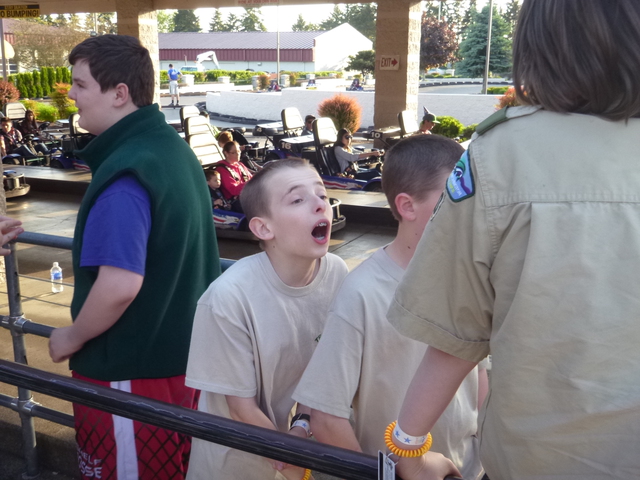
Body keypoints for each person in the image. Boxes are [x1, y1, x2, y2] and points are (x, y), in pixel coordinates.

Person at [387, 1, 640, 479]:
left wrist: (406, 446)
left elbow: (457, 334)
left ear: (541, 44)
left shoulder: (500, 155)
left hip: (539, 460)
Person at [47, 35, 220, 480]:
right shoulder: (172, 151)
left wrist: (71, 336)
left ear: (119, 93)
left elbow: (120, 284)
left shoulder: (127, 171)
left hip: (129, 373)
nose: (71, 94)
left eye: (80, 84)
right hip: (179, 366)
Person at [293, 135, 486, 480]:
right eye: (454, 197)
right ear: (407, 206)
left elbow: (479, 375)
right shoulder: (361, 293)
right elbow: (325, 416)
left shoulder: (468, 277)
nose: (470, 210)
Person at [186, 157, 349, 480]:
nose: (320, 204)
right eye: (298, 199)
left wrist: (301, 426)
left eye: (321, 193)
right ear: (263, 228)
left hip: (293, 449)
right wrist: (293, 461)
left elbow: (322, 370)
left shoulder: (336, 273)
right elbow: (241, 409)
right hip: (232, 462)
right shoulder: (227, 298)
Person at [217, 141, 253, 212]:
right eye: (234, 152)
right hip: (234, 202)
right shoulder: (222, 169)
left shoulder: (240, 165)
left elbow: (251, 178)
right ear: (226, 153)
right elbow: (234, 190)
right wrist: (250, 182)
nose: (238, 154)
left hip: (247, 196)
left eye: (239, 151)